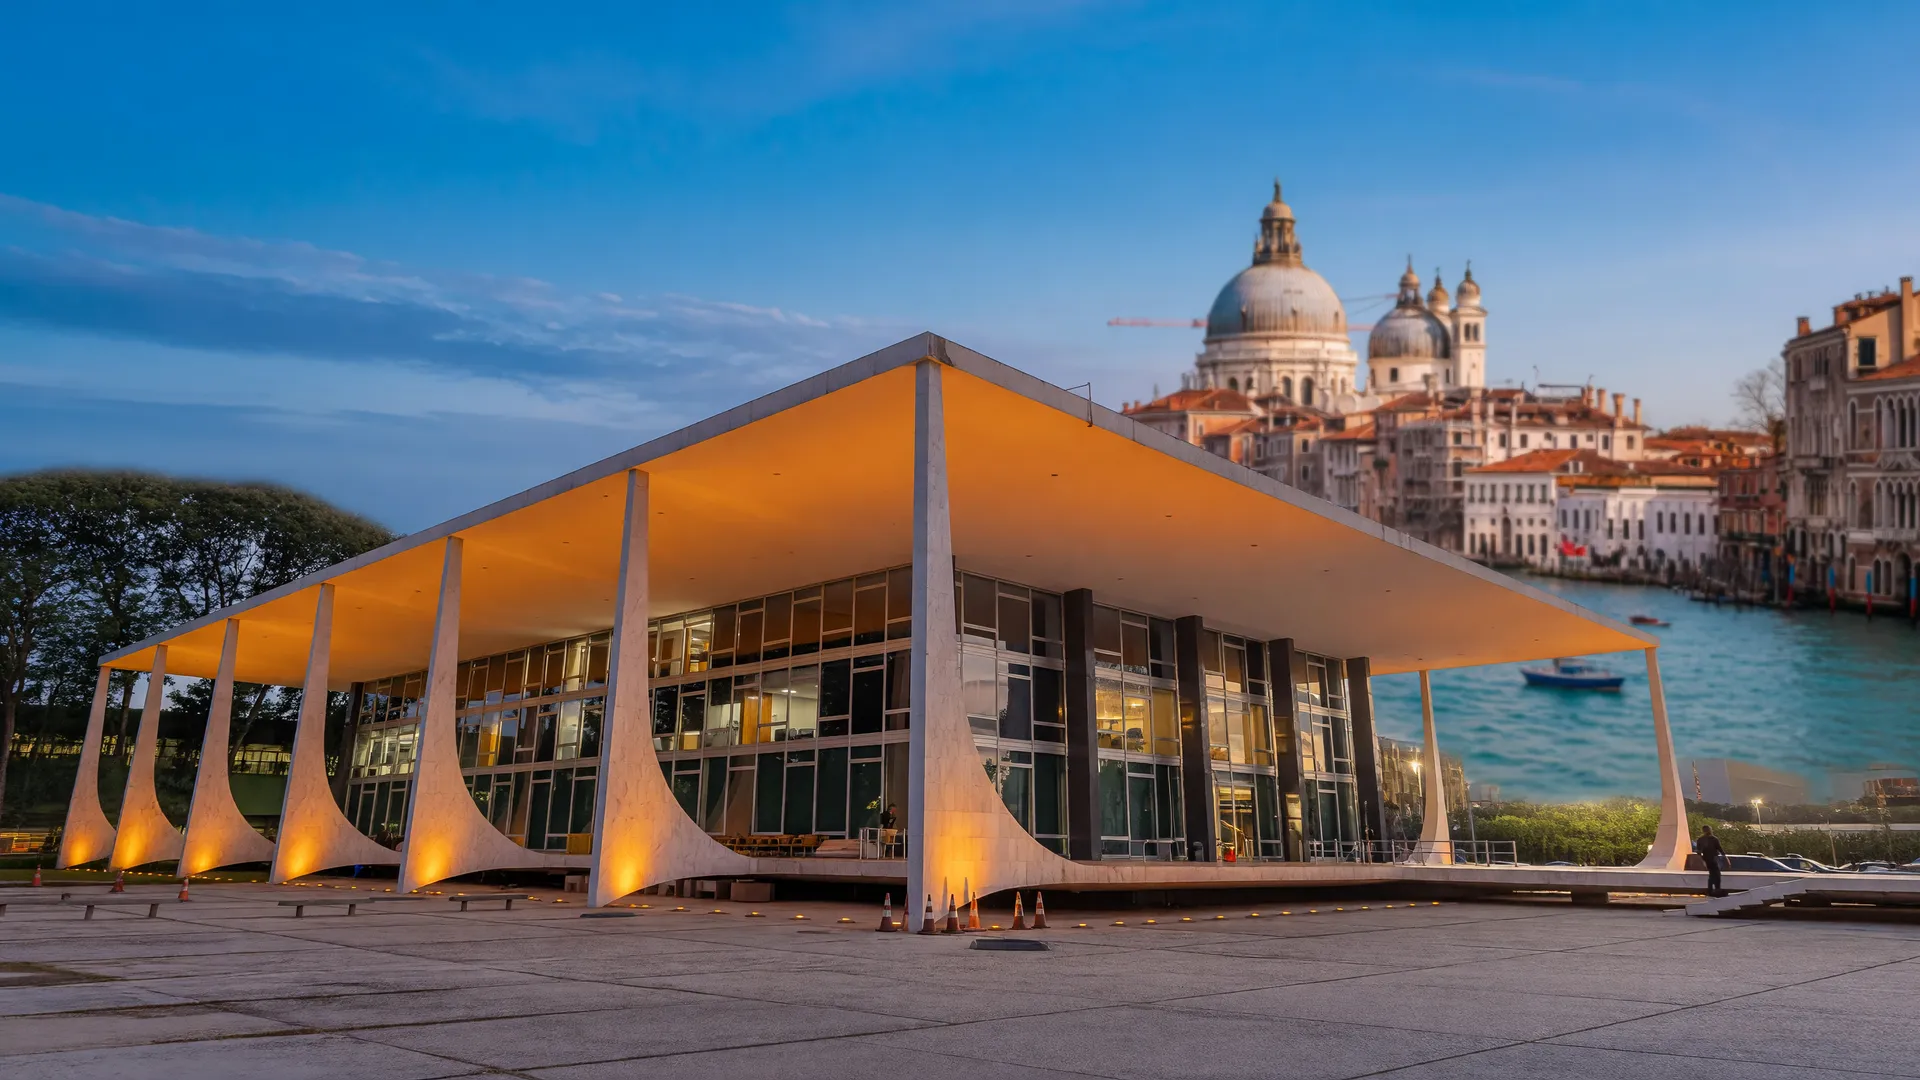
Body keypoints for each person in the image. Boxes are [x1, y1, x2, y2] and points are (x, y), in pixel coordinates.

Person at [1696, 824, 1726, 896]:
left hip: (1707, 859)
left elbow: (1699, 851)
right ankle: (1716, 889)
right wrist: (1725, 856)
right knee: (1716, 874)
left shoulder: (1700, 839)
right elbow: (1719, 848)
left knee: (1712, 875)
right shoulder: (1714, 839)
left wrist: (1702, 859)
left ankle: (1711, 890)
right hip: (1713, 858)